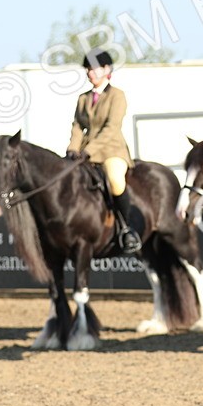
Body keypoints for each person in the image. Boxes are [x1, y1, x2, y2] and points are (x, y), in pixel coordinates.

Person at [67, 50, 142, 255]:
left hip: (111, 150)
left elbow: (111, 128)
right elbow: (77, 126)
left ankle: (127, 228)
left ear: (107, 70)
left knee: (115, 180)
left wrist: (88, 150)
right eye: (88, 69)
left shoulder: (117, 96)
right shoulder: (83, 98)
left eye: (94, 69)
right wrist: (73, 149)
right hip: (85, 153)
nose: (90, 73)